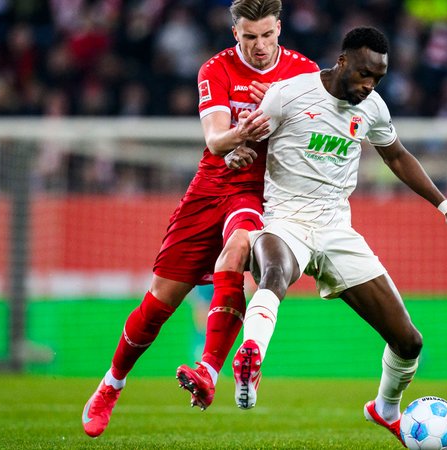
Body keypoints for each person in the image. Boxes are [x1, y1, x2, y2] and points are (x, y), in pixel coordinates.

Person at [223, 26, 447, 444]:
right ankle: (251, 362)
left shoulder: (373, 109)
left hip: (336, 230)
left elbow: (398, 156)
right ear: (343, 61)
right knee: (275, 270)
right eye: (365, 74)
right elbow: (243, 144)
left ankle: (385, 409)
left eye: (378, 79)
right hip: (285, 220)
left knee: (408, 342)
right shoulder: (287, 94)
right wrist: (238, 151)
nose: (369, 85)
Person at [81, 0, 318, 438]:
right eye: (250, 37)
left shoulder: (305, 72)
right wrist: (239, 137)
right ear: (235, 34)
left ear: (279, 28)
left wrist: (280, 118)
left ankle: (208, 371)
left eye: (268, 35)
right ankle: (111, 384)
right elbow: (214, 140)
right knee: (158, 303)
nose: (261, 46)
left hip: (260, 190)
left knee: (240, 248)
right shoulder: (216, 69)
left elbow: (313, 140)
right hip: (211, 186)